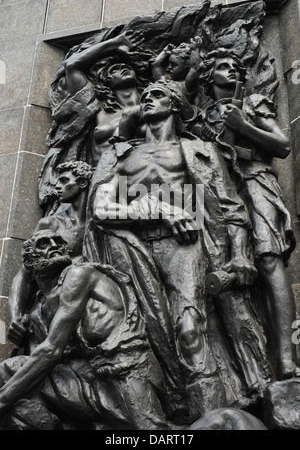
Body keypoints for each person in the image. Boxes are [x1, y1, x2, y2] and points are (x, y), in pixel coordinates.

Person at [88, 79, 259, 420]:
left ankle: (213, 420)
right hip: (130, 246)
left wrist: (240, 254)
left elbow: (230, 206)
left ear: (177, 104)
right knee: (145, 335)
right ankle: (167, 410)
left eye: (158, 95)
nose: (148, 99)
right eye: (145, 95)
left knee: (189, 328)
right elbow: (99, 208)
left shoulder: (200, 151)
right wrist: (159, 207)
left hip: (185, 244)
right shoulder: (119, 154)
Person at [0, 230, 174, 430]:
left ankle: (217, 420)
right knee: (12, 381)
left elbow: (50, 351)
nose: (54, 246)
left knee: (154, 433)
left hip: (127, 374)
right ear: (29, 263)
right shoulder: (40, 308)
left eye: (58, 241)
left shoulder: (79, 275)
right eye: (44, 244)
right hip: (90, 383)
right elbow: (36, 364)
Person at [197, 48, 299, 380]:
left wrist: (243, 124)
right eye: (223, 67)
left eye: (237, 67)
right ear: (208, 78)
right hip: (217, 194)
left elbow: (281, 145)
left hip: (255, 182)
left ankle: (285, 358)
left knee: (269, 261)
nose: (233, 71)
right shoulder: (201, 117)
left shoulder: (253, 102)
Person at [38, 29, 146, 212]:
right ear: (105, 82)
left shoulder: (154, 104)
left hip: (139, 184)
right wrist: (114, 43)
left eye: (126, 67)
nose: (123, 68)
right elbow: (72, 66)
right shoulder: (96, 109)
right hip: (99, 186)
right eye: (115, 69)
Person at [8, 161, 93, 350]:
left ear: (82, 183)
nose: (57, 186)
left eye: (64, 181)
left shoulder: (102, 221)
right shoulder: (51, 225)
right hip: (51, 308)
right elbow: (25, 273)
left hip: (91, 306)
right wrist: (16, 315)